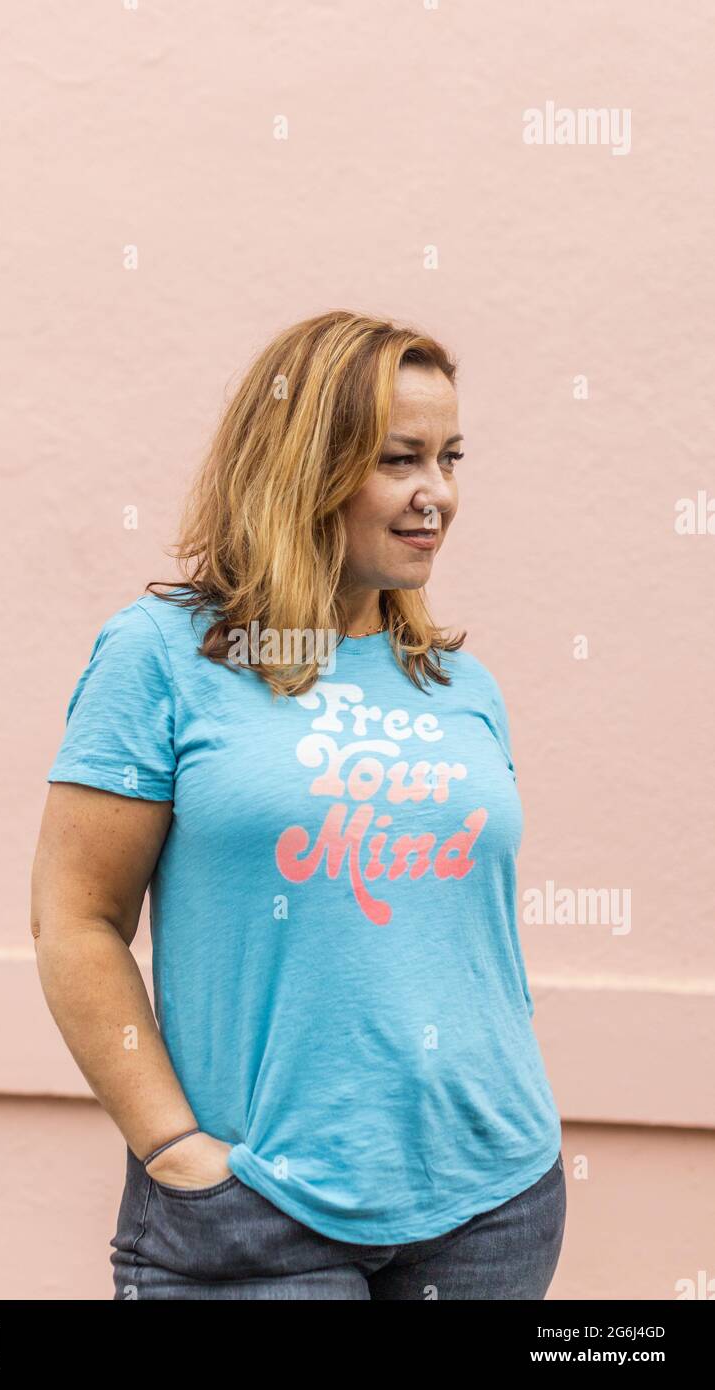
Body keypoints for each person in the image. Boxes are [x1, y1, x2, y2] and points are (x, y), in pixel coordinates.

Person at [30, 309, 566, 1300]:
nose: (435, 495)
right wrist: (172, 1146)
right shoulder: (162, 656)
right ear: (303, 465)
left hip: (488, 1203)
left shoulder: (458, 684)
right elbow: (75, 918)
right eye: (398, 459)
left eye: (449, 457)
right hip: (254, 1210)